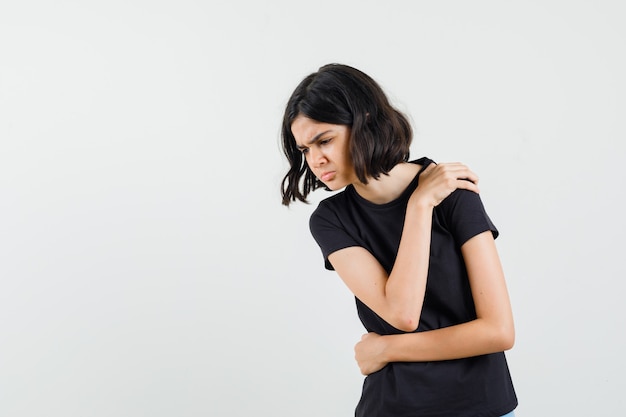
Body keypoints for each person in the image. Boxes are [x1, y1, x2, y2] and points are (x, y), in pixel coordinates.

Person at [279, 63, 517, 417]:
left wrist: (387, 350)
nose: (315, 159)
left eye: (324, 140)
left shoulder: (453, 193)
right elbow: (403, 314)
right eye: (304, 150)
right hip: (393, 407)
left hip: (484, 406)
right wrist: (420, 206)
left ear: (365, 120)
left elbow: (499, 332)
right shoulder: (331, 220)